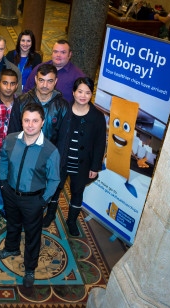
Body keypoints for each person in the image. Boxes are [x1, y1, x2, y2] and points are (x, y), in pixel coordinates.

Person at [0, 103, 60, 288]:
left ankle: (30, 268)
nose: (30, 125)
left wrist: (43, 200)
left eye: (35, 121)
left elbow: (54, 180)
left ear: (42, 122)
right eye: (26, 120)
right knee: (12, 224)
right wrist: (4, 182)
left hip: (34, 200)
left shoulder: (50, 150)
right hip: (11, 194)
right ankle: (11, 248)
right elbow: (3, 158)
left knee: (32, 234)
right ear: (21, 121)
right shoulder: (12, 139)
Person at [42, 77, 106, 236]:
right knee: (55, 189)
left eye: (88, 92)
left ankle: (71, 221)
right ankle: (50, 215)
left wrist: (95, 166)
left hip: (83, 164)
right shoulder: (64, 110)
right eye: (80, 91)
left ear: (92, 94)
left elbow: (100, 143)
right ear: (73, 92)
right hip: (61, 160)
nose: (83, 95)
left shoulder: (97, 117)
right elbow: (54, 135)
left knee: (77, 192)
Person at [8, 63, 69, 146]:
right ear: (36, 79)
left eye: (49, 81)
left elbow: (63, 139)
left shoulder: (63, 106)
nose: (45, 85)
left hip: (49, 155)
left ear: (55, 81)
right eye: (41, 80)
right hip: (23, 152)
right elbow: (13, 132)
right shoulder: (21, 102)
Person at [0, 68, 20, 219]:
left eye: (12, 84)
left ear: (16, 86)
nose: (8, 87)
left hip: (12, 153)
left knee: (5, 181)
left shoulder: (21, 104)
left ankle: (1, 205)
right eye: (5, 83)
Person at [23, 39, 85, 103]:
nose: (58, 55)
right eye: (55, 51)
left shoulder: (78, 76)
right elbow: (26, 91)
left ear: (70, 54)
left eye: (63, 52)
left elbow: (82, 102)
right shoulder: (39, 68)